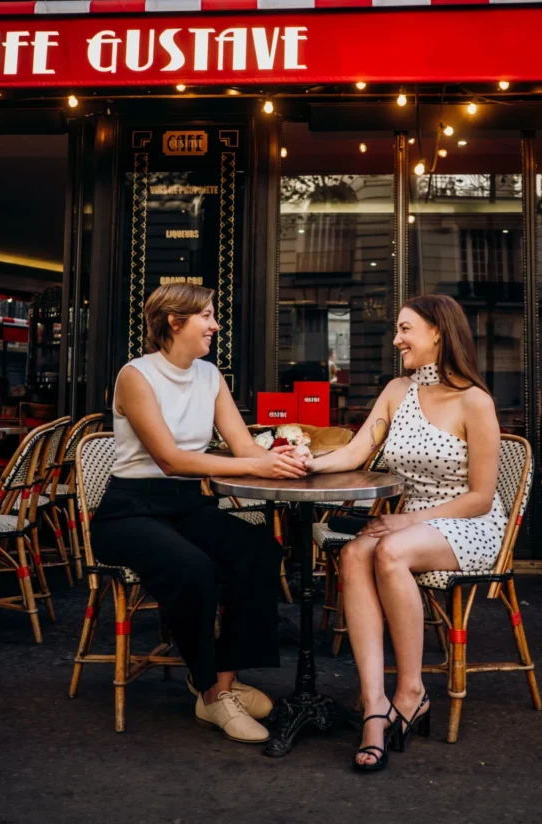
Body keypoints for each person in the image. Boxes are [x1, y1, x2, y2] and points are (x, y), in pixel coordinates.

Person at [90, 282, 307, 745]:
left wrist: (284, 462)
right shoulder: (136, 374)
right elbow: (170, 459)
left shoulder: (210, 376)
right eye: (207, 316)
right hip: (130, 511)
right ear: (175, 321)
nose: (215, 325)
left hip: (187, 505)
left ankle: (220, 684)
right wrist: (255, 463)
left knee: (258, 552)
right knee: (195, 569)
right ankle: (210, 691)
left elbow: (244, 445)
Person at [298, 294, 502, 772]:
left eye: (405, 329)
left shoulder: (475, 401)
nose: (396, 339)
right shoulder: (396, 390)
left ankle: (411, 691)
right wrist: (301, 466)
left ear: (438, 332)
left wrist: (407, 520)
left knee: (387, 551)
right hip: (409, 522)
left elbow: (482, 497)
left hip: (466, 524)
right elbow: (354, 454)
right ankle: (374, 706)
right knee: (352, 555)